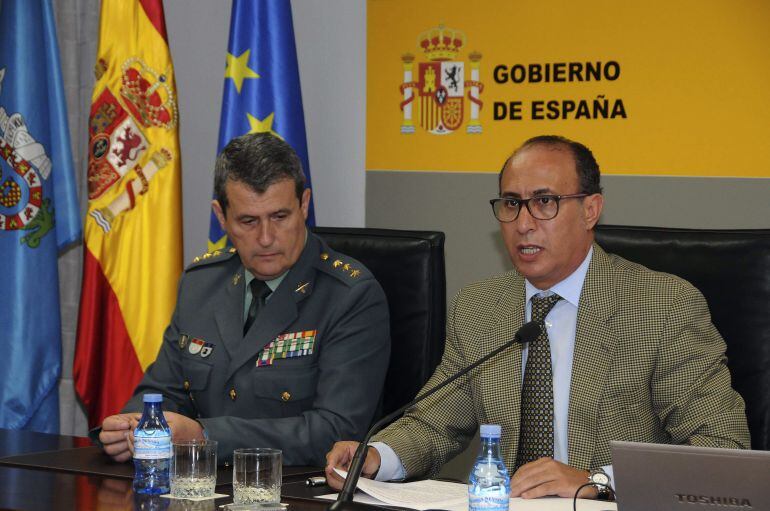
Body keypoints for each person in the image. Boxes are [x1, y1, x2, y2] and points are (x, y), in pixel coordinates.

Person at [325, 135, 750, 499]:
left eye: (544, 202)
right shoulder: (481, 307)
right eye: (512, 203)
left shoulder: (661, 306)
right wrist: (376, 455)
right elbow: (434, 424)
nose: (523, 223)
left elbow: (722, 450)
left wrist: (598, 482)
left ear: (590, 210)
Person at [98, 132, 390, 466]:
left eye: (280, 217)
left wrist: (203, 437)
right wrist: (132, 426)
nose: (266, 238)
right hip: (199, 489)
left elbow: (336, 430)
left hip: (298, 492)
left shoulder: (349, 295)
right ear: (221, 218)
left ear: (304, 206)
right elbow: (163, 393)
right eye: (248, 221)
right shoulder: (201, 285)